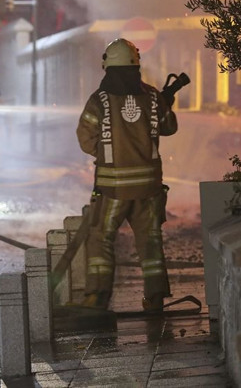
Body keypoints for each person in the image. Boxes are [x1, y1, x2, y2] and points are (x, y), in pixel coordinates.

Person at [76, 38, 178, 312]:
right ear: (136, 65)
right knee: (150, 240)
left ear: (107, 66)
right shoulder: (153, 97)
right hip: (149, 188)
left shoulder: (99, 100)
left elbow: (85, 139)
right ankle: (155, 298)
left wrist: (108, 152)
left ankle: (97, 296)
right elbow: (169, 127)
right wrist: (167, 102)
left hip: (113, 189)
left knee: (101, 236)